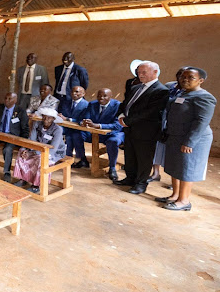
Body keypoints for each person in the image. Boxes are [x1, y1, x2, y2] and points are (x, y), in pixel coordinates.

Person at [156, 68, 216, 211]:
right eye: (183, 77)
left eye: (191, 77)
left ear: (201, 80)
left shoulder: (205, 97)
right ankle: (175, 195)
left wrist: (189, 142)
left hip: (193, 139)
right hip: (176, 136)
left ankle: (184, 201)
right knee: (176, 166)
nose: (185, 80)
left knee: (186, 168)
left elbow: (201, 121)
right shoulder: (182, 93)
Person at [114, 61, 169, 195]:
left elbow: (151, 112)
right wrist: (121, 115)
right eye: (139, 72)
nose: (140, 74)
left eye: (144, 72)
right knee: (130, 155)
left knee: (144, 158)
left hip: (146, 131)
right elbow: (125, 104)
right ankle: (130, 178)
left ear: (155, 72)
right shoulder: (136, 87)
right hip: (129, 128)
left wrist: (127, 121)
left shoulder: (161, 91)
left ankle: (141, 184)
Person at [12, 107, 67, 194]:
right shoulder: (37, 124)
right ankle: (23, 179)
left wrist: (35, 152)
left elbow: (53, 147)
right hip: (37, 148)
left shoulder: (58, 129)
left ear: (53, 119)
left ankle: (36, 185)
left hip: (54, 152)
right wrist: (27, 150)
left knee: (41, 160)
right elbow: (31, 139)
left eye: (49, 117)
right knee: (22, 152)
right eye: (44, 116)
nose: (46, 119)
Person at [148, 67, 188, 183]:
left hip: (177, 123)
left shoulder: (190, 91)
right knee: (157, 147)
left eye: (185, 76)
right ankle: (155, 173)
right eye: (180, 75)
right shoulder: (169, 85)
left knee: (173, 151)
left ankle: (174, 180)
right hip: (162, 120)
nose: (182, 78)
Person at [80, 88, 124, 181]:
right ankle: (83, 160)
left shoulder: (118, 105)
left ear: (111, 97)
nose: (101, 98)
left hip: (113, 133)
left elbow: (117, 125)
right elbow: (85, 117)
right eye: (99, 96)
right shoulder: (92, 104)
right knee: (77, 134)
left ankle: (112, 168)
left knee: (113, 141)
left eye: (104, 96)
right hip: (96, 132)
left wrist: (98, 125)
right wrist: (84, 122)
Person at [58, 85, 89, 167]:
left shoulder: (86, 105)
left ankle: (80, 158)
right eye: (72, 91)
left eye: (77, 92)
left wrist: (68, 119)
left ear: (83, 93)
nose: (74, 93)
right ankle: (66, 157)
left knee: (73, 136)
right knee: (59, 131)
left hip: (80, 129)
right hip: (67, 127)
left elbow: (83, 119)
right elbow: (62, 114)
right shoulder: (66, 102)